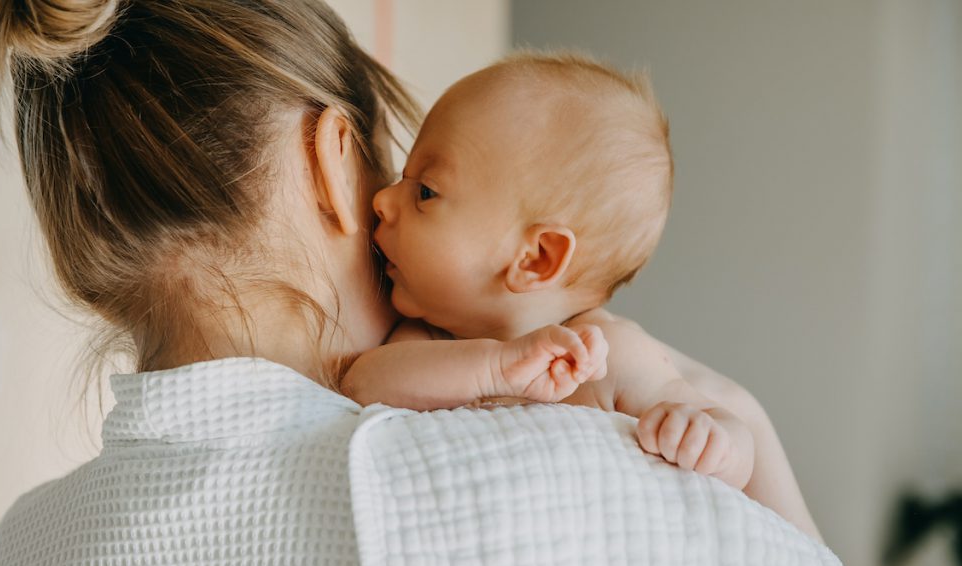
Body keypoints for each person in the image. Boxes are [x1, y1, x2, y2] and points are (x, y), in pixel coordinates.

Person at [0, 0, 820, 566]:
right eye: (395, 168)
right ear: (335, 161)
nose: (389, 204)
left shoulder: (23, 560)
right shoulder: (563, 472)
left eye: (424, 188)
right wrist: (745, 419)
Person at [341, 53, 820, 539]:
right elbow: (365, 382)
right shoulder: (431, 336)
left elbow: (729, 431)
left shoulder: (606, 354)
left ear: (536, 259)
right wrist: (496, 367)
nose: (383, 200)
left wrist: (711, 441)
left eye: (424, 192)